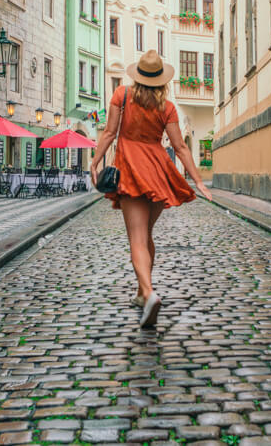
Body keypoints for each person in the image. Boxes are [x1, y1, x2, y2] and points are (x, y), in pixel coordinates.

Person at [91, 50, 213, 328]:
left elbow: (109, 133)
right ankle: (140, 291)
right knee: (147, 236)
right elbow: (180, 148)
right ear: (161, 80)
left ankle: (148, 293)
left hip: (131, 170)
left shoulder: (121, 95)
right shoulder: (167, 107)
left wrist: (95, 163)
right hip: (158, 172)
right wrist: (199, 181)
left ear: (137, 76)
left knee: (136, 238)